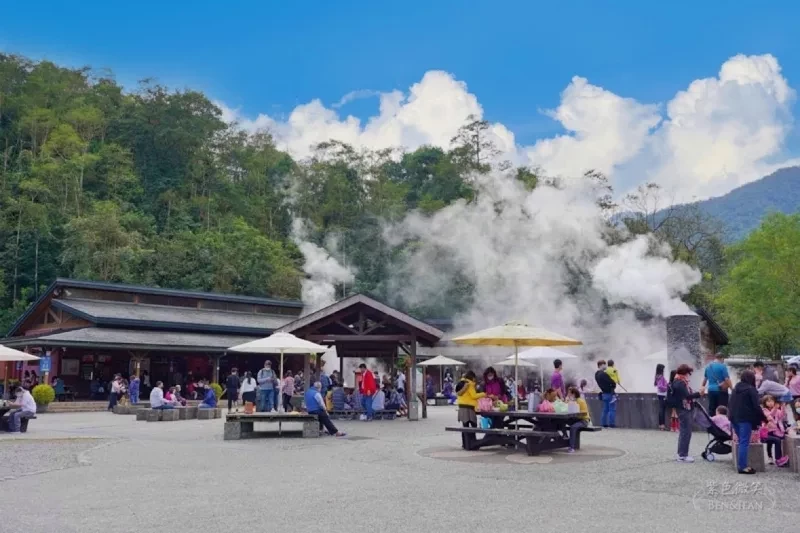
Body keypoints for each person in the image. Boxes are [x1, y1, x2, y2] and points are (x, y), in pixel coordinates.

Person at [729, 369, 767, 474]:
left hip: (734, 418)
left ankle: (741, 464)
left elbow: (730, 403)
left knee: (742, 441)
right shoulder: (751, 389)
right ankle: (742, 467)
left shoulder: (736, 388)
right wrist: (764, 418)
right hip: (745, 419)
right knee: (744, 442)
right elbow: (756, 406)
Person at [670, 364, 705, 463]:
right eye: (688, 373)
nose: (689, 376)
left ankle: (681, 454)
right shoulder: (680, 383)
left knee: (684, 432)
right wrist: (699, 394)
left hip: (683, 409)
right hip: (684, 409)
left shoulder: (678, 381)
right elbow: (687, 396)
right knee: (686, 432)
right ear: (685, 373)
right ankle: (682, 455)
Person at [455, 371, 486, 449]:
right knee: (473, 426)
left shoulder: (462, 383)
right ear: (472, 377)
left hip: (461, 407)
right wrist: (484, 394)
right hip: (468, 407)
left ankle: (465, 444)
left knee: (465, 426)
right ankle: (473, 444)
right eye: (474, 377)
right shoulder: (470, 384)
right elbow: (474, 396)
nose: (475, 379)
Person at [760, 395, 789, 466]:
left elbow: (782, 415)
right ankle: (774, 458)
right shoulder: (764, 411)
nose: (770, 403)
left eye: (772, 401)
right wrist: (775, 408)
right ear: (765, 403)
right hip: (766, 433)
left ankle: (778, 458)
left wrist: (783, 407)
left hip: (775, 431)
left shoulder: (777, 410)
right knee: (773, 442)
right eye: (768, 401)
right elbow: (769, 416)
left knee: (776, 441)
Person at [566, 386, 590, 453]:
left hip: (583, 420)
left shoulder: (580, 401)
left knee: (573, 427)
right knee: (561, 421)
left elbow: (584, 413)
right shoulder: (572, 401)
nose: (569, 395)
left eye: (570, 394)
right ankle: (564, 437)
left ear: (574, 394)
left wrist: (575, 413)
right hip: (575, 419)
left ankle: (571, 447)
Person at [594, 360, 617, 428]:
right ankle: (611, 423)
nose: (606, 366)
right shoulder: (603, 374)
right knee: (612, 409)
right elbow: (612, 382)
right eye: (604, 364)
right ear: (601, 365)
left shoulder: (596, 374)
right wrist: (613, 384)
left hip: (604, 393)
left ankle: (603, 423)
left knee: (605, 409)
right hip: (609, 393)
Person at [654, 364, 669, 430]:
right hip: (662, 395)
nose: (664, 370)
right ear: (661, 369)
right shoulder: (661, 376)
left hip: (660, 394)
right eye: (663, 369)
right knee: (662, 410)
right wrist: (666, 387)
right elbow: (660, 386)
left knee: (661, 410)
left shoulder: (657, 376)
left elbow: (656, 384)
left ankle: (661, 425)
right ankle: (662, 425)